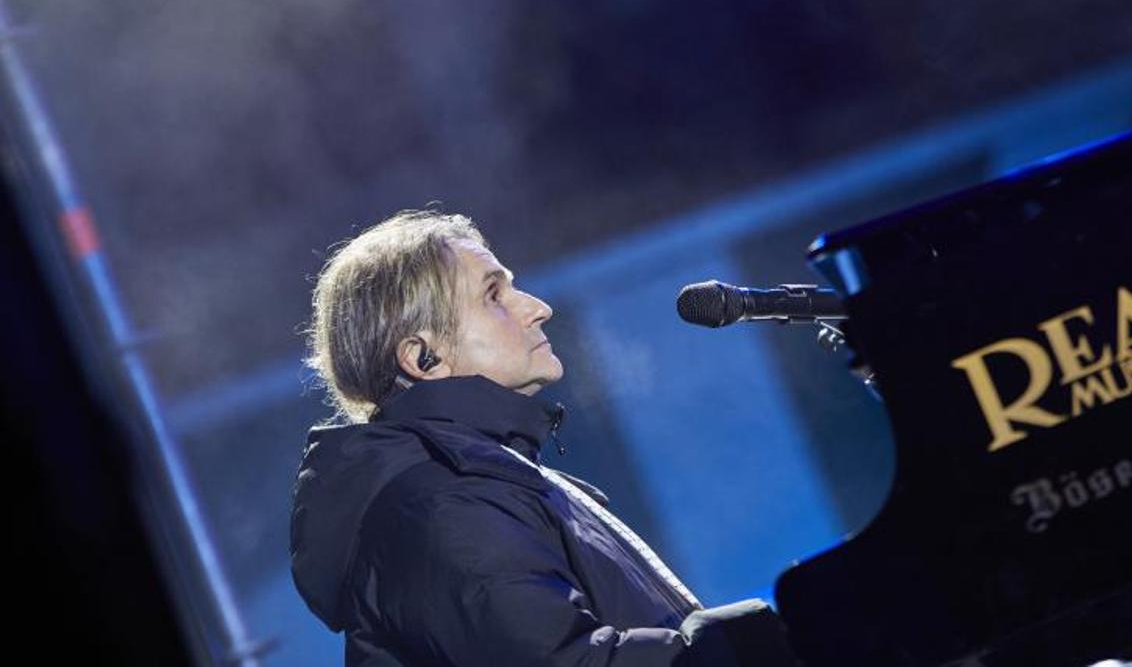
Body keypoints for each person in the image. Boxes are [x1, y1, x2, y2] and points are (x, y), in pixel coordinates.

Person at [289, 209, 800, 666]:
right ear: (423, 356)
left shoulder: (483, 481)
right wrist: (753, 643)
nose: (537, 307)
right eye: (494, 295)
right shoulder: (439, 506)